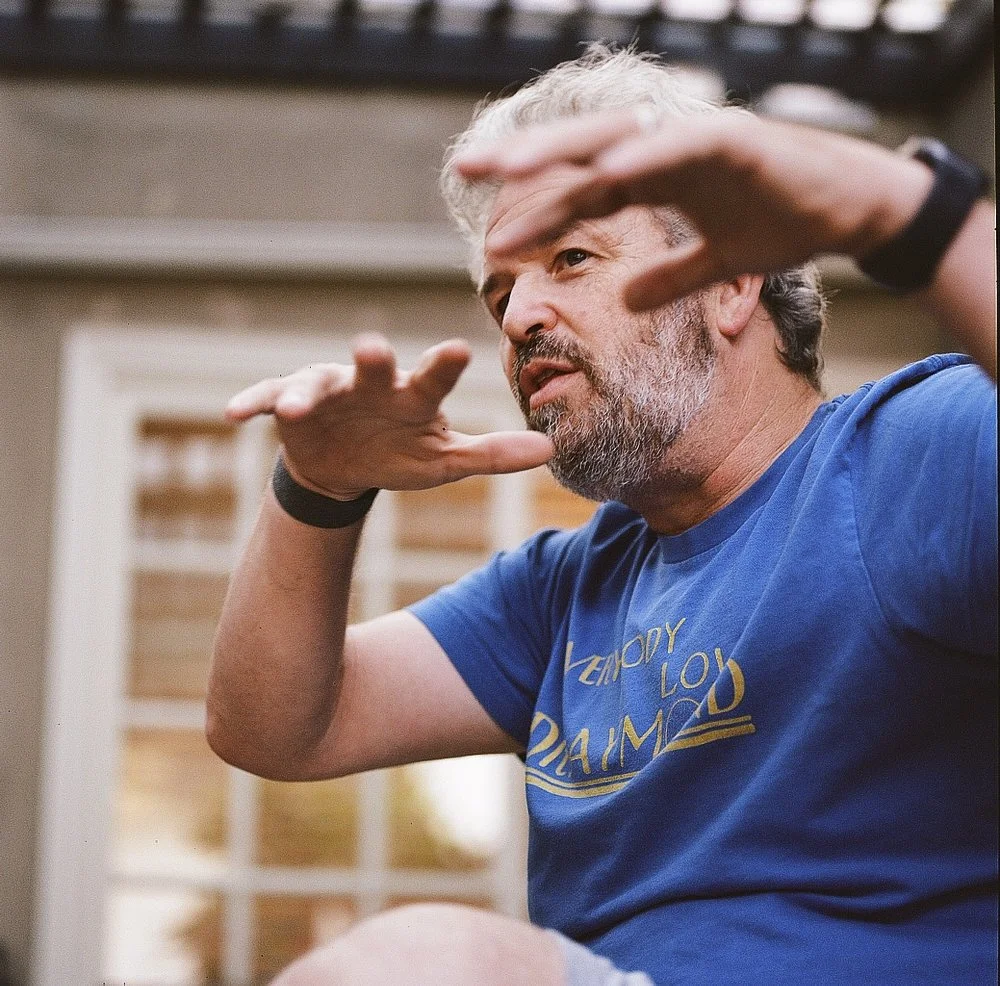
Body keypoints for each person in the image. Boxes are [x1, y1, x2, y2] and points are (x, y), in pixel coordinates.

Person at [208, 46, 997, 986]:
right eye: (500, 292)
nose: (517, 317)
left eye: (569, 259)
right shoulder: (563, 591)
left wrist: (913, 212)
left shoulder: (906, 457)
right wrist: (321, 489)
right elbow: (273, 727)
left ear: (733, 278)